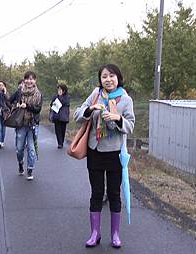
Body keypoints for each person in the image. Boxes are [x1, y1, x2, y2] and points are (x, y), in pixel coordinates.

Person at [73, 64, 135, 248]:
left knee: (114, 193)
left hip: (115, 152)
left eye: (112, 76)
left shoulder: (126, 99)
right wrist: (90, 109)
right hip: (95, 151)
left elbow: (130, 126)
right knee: (96, 192)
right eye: (104, 76)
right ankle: (95, 233)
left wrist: (117, 119)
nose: (108, 80)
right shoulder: (95, 95)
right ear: (100, 79)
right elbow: (77, 115)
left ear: (118, 78)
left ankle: (115, 234)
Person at [9, 72, 42, 180]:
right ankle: (20, 163)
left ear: (35, 81)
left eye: (32, 79)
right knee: (19, 149)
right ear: (24, 80)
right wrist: (16, 105)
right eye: (27, 79)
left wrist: (27, 106)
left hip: (32, 124)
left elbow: (38, 109)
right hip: (21, 123)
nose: (29, 81)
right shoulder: (19, 92)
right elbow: (9, 101)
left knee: (31, 149)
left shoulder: (38, 94)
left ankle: (30, 169)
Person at [49, 83, 70, 149]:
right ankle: (59, 143)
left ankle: (62, 141)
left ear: (64, 90)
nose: (59, 91)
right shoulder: (55, 96)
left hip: (64, 117)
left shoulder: (67, 97)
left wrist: (59, 97)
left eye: (60, 89)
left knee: (63, 130)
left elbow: (64, 103)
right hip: (56, 116)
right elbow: (51, 104)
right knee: (57, 130)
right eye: (58, 89)